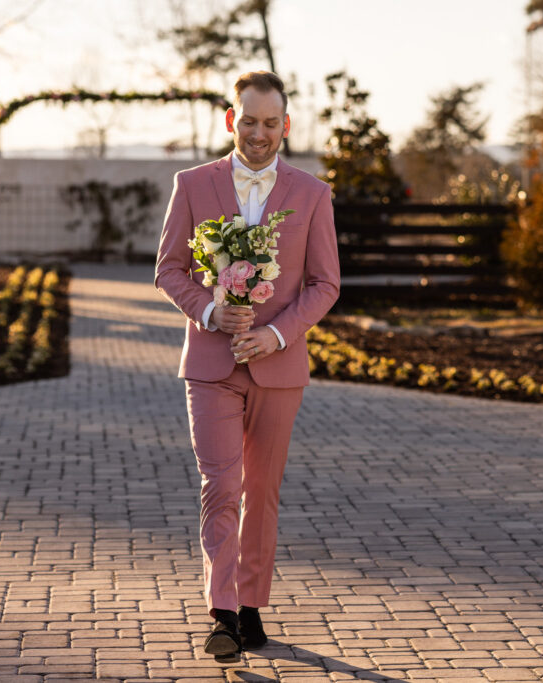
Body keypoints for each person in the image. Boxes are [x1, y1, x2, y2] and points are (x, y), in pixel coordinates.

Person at [154, 70, 340, 663]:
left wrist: (277, 334)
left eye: (270, 123)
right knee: (222, 484)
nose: (258, 134)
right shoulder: (192, 184)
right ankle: (224, 612)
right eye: (248, 120)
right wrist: (210, 311)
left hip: (278, 367)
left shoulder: (312, 194)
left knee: (261, 491)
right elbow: (168, 270)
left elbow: (324, 283)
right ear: (230, 119)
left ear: (285, 125)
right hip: (210, 364)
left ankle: (252, 603)